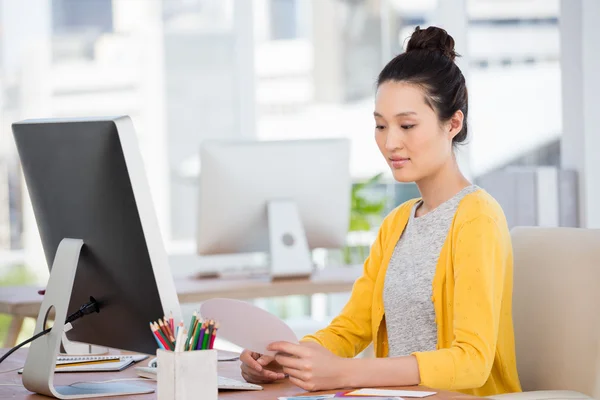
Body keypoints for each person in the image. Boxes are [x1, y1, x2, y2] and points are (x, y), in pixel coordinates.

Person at [239, 25, 522, 397]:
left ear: (453, 123)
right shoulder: (397, 224)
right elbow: (350, 329)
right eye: (380, 125)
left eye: (407, 125)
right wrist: (286, 358)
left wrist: (347, 374)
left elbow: (471, 361)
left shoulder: (477, 217)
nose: (390, 142)